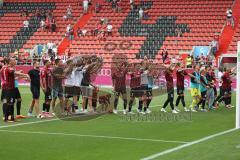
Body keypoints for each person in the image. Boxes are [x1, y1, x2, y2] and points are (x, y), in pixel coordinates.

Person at [1, 57, 29, 122]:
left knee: (9, 102)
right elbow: (15, 73)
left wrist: (23, 75)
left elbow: (14, 75)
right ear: (9, 62)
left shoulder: (5, 68)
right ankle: (6, 118)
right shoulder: (7, 68)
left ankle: (11, 117)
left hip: (7, 88)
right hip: (8, 88)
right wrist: (25, 75)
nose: (14, 61)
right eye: (13, 60)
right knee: (8, 103)